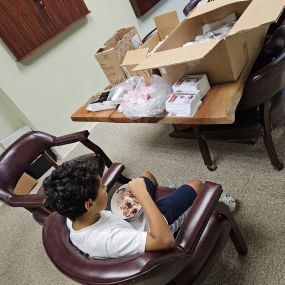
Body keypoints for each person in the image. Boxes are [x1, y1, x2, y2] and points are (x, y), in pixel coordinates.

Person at [43, 157, 202, 259]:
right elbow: (164, 241)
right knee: (196, 185)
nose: (106, 188)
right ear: (89, 204)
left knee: (147, 176)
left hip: (128, 222)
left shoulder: (71, 213)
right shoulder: (108, 240)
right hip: (153, 231)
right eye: (103, 187)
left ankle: (168, 196)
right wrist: (143, 197)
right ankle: (192, 207)